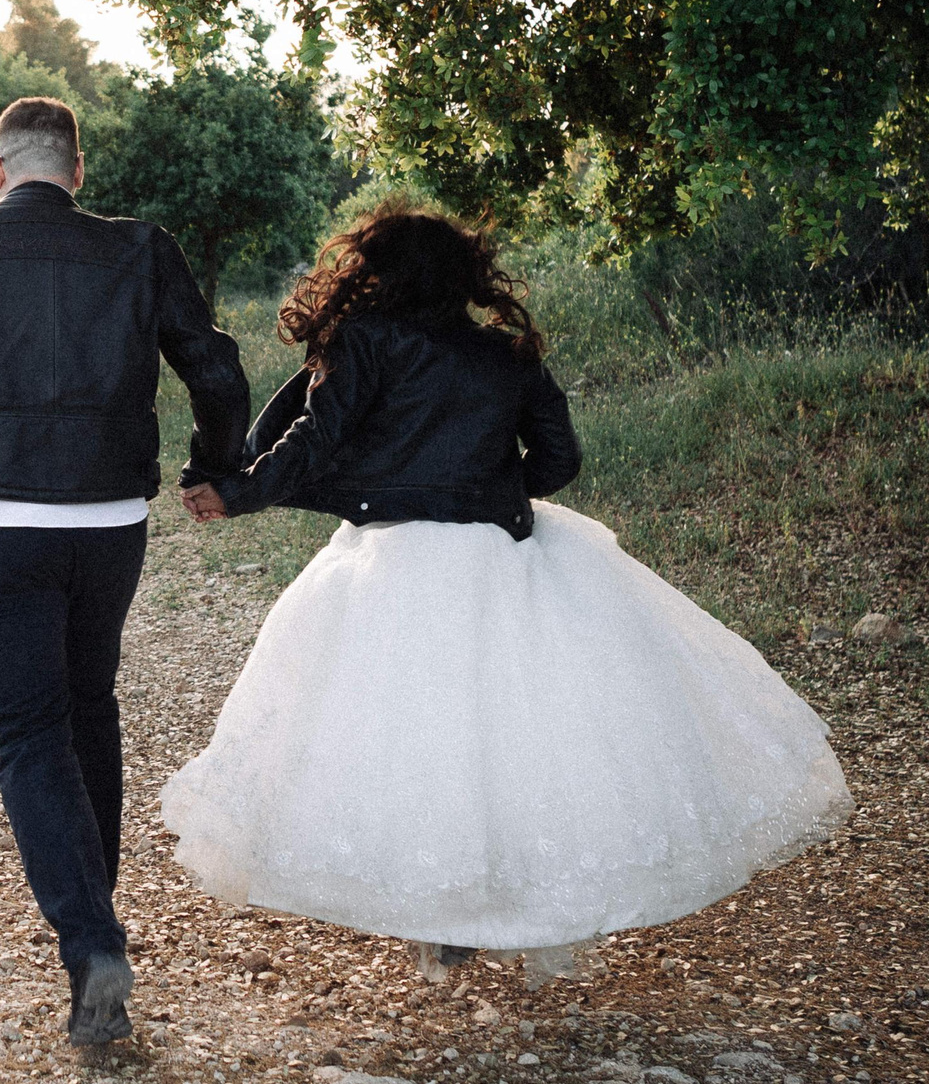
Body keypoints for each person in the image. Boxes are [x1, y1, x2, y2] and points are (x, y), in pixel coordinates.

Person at [166, 204, 850, 982]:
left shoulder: (362, 340)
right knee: (513, 731)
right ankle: (499, 898)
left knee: (411, 732)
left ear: (373, 272)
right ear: (466, 276)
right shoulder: (508, 354)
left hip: (394, 556)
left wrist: (237, 494)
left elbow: (313, 442)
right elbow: (559, 458)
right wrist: (491, 491)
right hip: (500, 549)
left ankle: (440, 906)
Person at [0, 96, 251, 1044]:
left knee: (30, 731)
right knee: (89, 709)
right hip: (110, 518)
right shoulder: (141, 247)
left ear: (0, 169)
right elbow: (219, 373)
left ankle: (91, 941)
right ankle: (94, 925)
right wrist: (212, 465)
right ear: (77, 170)